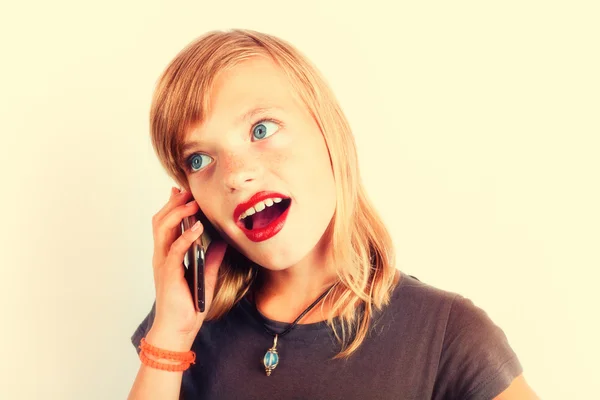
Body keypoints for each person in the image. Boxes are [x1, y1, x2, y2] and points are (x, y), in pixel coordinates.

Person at [127, 29, 538, 399]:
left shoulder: (447, 335)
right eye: (199, 159)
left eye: (261, 129)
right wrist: (171, 334)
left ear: (329, 131)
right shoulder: (187, 328)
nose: (235, 176)